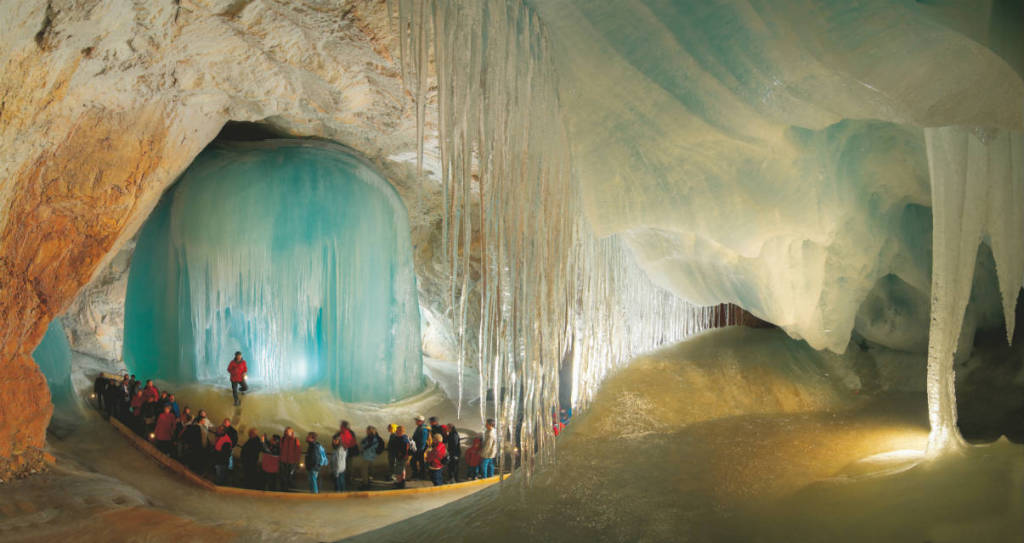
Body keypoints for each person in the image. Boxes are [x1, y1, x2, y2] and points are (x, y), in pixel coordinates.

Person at [411, 415, 429, 479]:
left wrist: (418, 449)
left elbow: (422, 441)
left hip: (420, 449)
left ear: (420, 421)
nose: (415, 422)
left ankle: (418, 475)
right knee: (420, 462)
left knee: (414, 461)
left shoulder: (423, 429)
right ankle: (420, 475)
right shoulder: (420, 427)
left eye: (417, 420)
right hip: (419, 448)